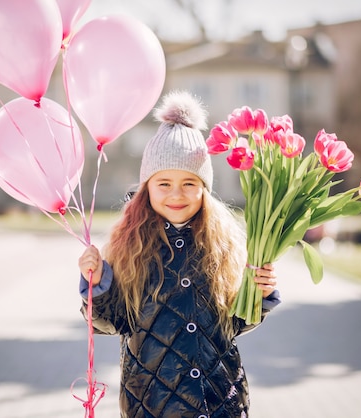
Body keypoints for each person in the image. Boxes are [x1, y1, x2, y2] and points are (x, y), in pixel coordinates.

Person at [78, 90, 281, 417]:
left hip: (219, 401)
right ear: (147, 187)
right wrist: (98, 284)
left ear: (205, 189)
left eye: (190, 183)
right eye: (164, 183)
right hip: (153, 404)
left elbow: (235, 322)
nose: (176, 194)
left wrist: (261, 293)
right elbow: (109, 322)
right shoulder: (129, 248)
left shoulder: (222, 246)